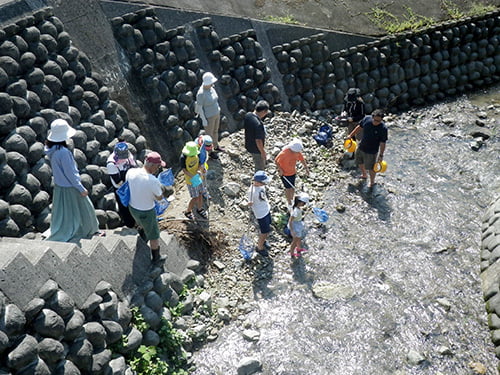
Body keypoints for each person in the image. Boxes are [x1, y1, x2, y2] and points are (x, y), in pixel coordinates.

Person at [44, 119, 101, 242]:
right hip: (71, 186)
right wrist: (81, 188)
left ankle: (62, 230)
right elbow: (70, 173)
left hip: (60, 186)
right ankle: (91, 230)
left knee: (63, 214)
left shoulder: (51, 150)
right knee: (87, 209)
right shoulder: (63, 153)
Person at [127, 151, 167, 263]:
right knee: (154, 235)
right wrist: (161, 190)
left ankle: (143, 236)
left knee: (141, 224)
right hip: (146, 211)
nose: (158, 168)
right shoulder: (152, 181)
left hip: (133, 208)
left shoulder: (131, 172)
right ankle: (156, 258)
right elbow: (159, 198)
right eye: (158, 166)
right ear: (153, 166)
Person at [348, 109, 388, 188]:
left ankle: (372, 182)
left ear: (382, 120)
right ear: (372, 117)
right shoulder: (366, 119)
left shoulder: (383, 128)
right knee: (359, 161)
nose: (376, 122)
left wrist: (381, 155)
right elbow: (359, 127)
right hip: (362, 146)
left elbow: (383, 143)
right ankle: (364, 174)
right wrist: (350, 135)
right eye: (375, 120)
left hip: (372, 151)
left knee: (371, 168)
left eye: (378, 121)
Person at [106, 141, 137, 228]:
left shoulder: (127, 154)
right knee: (124, 207)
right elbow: (118, 181)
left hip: (130, 181)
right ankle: (130, 225)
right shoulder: (111, 164)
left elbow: (133, 165)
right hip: (121, 188)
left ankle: (137, 221)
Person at [274, 138, 310, 211]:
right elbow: (276, 161)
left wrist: (306, 168)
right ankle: (289, 203)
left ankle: (292, 199)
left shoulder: (297, 152)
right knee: (288, 188)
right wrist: (280, 170)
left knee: (292, 187)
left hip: (293, 172)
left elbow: (302, 160)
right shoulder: (284, 153)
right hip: (285, 174)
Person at [196, 72, 223, 159]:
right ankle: (210, 151)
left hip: (216, 113)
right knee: (209, 135)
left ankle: (216, 146)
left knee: (215, 130)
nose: (212, 84)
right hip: (209, 116)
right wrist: (203, 119)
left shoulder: (211, 88)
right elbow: (200, 107)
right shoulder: (201, 93)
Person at [180, 141, 208, 220]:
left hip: (198, 177)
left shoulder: (197, 153)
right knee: (195, 197)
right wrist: (193, 176)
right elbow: (184, 170)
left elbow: (200, 163)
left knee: (200, 193)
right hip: (191, 180)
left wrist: (200, 170)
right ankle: (188, 211)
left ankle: (199, 209)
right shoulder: (183, 157)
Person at [247, 170, 272, 257]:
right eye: (263, 183)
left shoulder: (261, 187)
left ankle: (263, 241)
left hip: (266, 209)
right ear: (257, 182)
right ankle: (259, 247)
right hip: (261, 214)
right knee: (264, 231)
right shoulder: (251, 192)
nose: (265, 185)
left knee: (268, 226)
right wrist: (249, 203)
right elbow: (250, 202)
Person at [244, 100, 270, 171]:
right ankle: (259, 180)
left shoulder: (248, 115)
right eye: (266, 112)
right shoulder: (258, 124)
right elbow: (258, 140)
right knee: (259, 167)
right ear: (263, 111)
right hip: (256, 149)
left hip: (248, 144)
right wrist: (262, 152)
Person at [288, 193, 309, 258]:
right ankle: (292, 253)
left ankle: (299, 248)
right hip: (295, 226)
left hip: (298, 223)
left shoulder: (298, 208)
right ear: (300, 202)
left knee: (299, 238)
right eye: (304, 203)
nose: (304, 205)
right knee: (295, 241)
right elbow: (290, 221)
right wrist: (292, 231)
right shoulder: (295, 211)